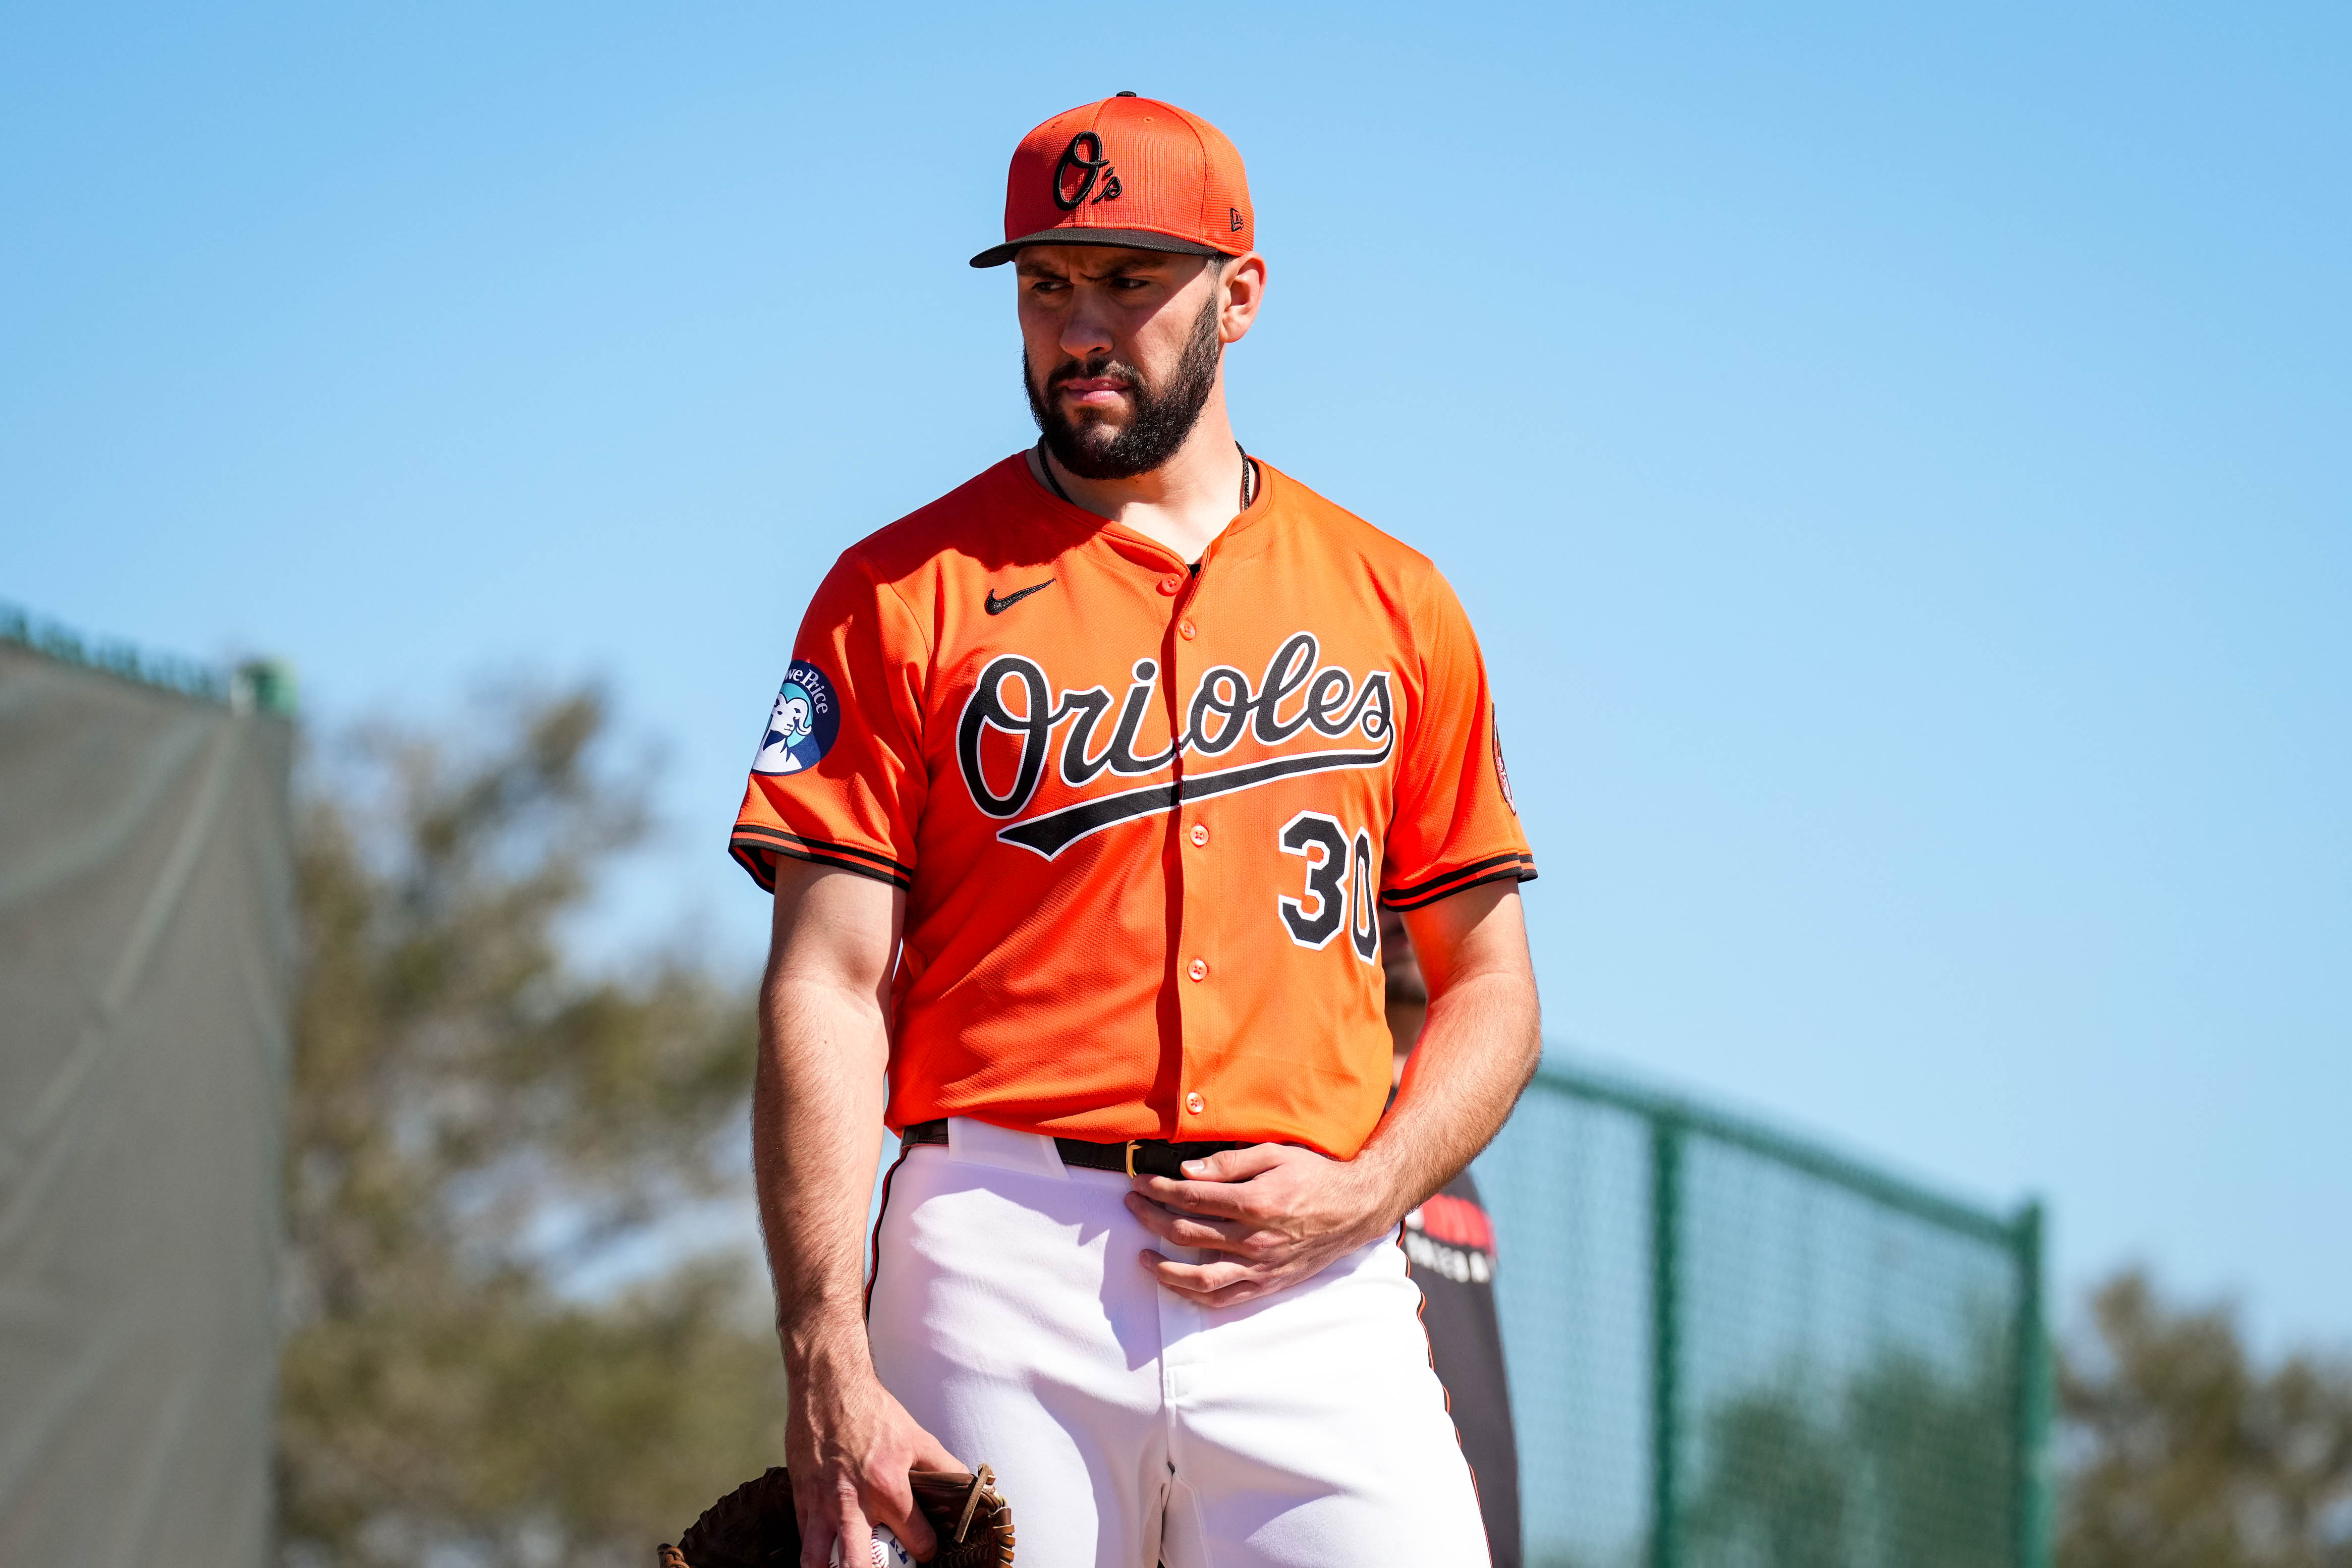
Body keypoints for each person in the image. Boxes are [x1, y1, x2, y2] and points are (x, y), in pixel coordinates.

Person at [732, 92, 1540, 1568]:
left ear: (1240, 296)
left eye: (1128, 278)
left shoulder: (1393, 600)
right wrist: (823, 1345)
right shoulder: (896, 591)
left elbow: (1491, 986)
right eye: (1046, 283)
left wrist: (1371, 1187)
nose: (1080, 325)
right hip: (997, 1247)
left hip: (1311, 1265)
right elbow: (827, 984)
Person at [1385, 911, 1524, 1568]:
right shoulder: (1322, 1139)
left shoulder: (1451, 1154)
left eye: (1413, 885)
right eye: (1373, 881)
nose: (1395, 907)